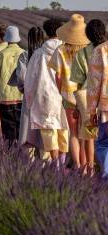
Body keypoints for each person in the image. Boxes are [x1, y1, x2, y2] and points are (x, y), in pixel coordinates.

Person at [48, 14, 90, 169]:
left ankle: (78, 165)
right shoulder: (88, 50)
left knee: (72, 133)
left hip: (68, 96)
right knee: (85, 135)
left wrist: (59, 91)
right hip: (86, 96)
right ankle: (86, 166)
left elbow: (58, 75)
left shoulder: (60, 50)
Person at [25, 17, 67, 167]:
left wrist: (30, 101)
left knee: (50, 133)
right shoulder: (67, 51)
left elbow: (30, 79)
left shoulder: (39, 54)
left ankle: (55, 166)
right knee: (64, 131)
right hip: (65, 96)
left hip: (45, 97)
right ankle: (62, 164)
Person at [71, 19, 106, 175]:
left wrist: (78, 107)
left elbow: (80, 82)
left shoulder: (83, 53)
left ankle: (91, 170)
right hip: (102, 99)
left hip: (91, 99)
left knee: (90, 137)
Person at [13, 27, 45, 157]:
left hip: (29, 96)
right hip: (45, 95)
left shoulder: (25, 55)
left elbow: (21, 77)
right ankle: (45, 162)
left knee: (28, 130)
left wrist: (23, 90)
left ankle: (28, 161)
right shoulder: (47, 54)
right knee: (44, 130)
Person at [0, 26, 25, 146]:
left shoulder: (0, 55)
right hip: (22, 97)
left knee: (8, 132)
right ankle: (24, 158)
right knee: (22, 130)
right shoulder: (24, 54)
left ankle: (10, 157)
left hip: (5, 98)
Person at [87, 39, 108, 179]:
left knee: (103, 142)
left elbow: (94, 84)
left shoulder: (100, 50)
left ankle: (106, 176)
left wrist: (91, 110)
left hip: (106, 106)